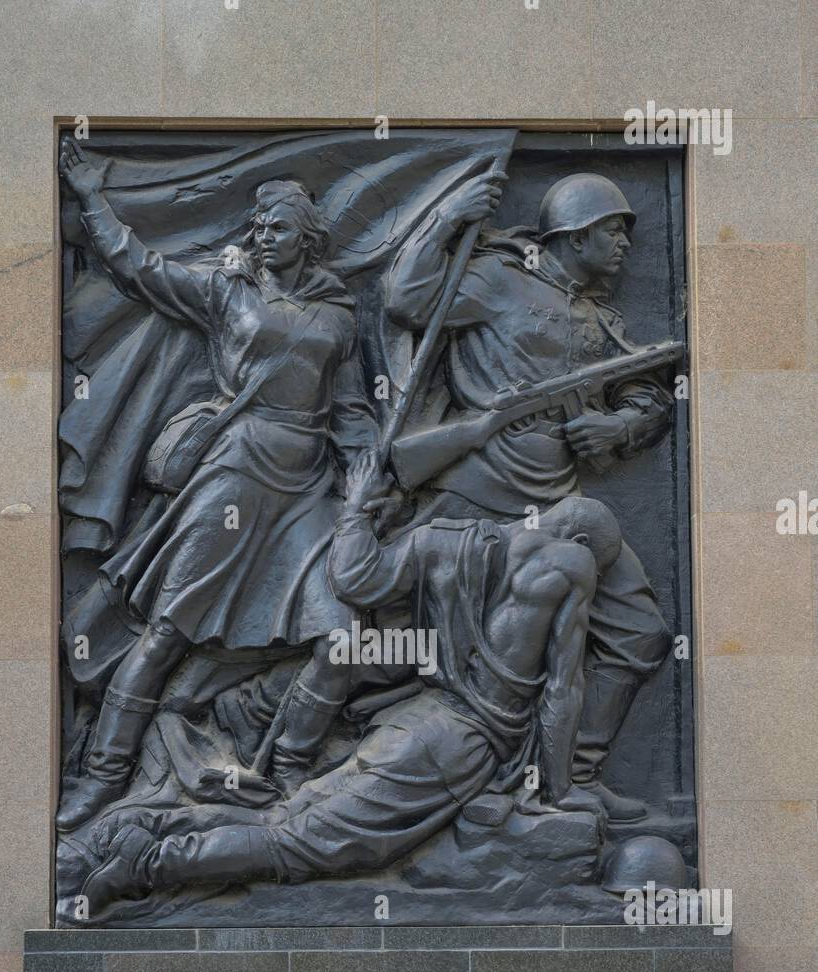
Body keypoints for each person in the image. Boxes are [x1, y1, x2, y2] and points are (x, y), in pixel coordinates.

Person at [78, 453, 623, 916]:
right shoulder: (571, 563)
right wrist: (560, 788)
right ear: (576, 537)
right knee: (299, 846)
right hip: (459, 746)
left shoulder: (439, 541)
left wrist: (357, 509)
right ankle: (146, 864)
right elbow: (561, 691)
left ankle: (144, 830)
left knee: (291, 818)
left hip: (417, 723)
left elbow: (356, 580)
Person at [56, 141, 378, 830]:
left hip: (306, 491)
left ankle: (290, 764)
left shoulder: (339, 315)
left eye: (279, 228)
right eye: (257, 227)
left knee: (343, 636)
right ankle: (102, 778)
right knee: (170, 629)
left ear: (307, 239)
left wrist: (364, 485)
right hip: (234, 473)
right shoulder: (222, 289)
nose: (264, 237)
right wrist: (92, 198)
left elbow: (350, 415)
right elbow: (138, 267)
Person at [383, 170, 674, 821]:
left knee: (641, 635)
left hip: (565, 511)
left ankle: (578, 772)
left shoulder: (598, 316)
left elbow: (643, 394)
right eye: (611, 230)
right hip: (476, 504)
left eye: (627, 231)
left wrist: (618, 424)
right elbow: (406, 301)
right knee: (453, 663)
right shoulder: (494, 279)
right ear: (573, 234)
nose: (625, 242)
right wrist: (447, 217)